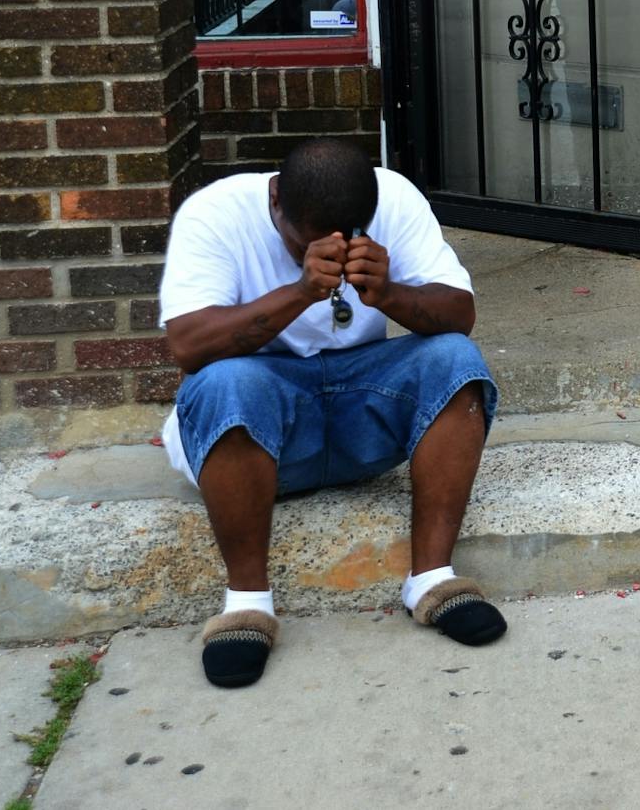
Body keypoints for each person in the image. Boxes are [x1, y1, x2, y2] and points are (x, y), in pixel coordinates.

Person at [158, 137, 504, 688]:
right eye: (304, 243)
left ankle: (432, 578)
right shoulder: (214, 213)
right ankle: (247, 603)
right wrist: (300, 290)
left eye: (350, 237)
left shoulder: (394, 197)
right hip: (265, 427)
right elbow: (188, 346)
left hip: (358, 414)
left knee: (455, 360)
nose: (328, 253)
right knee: (227, 380)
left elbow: (460, 314)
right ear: (277, 205)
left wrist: (387, 292)